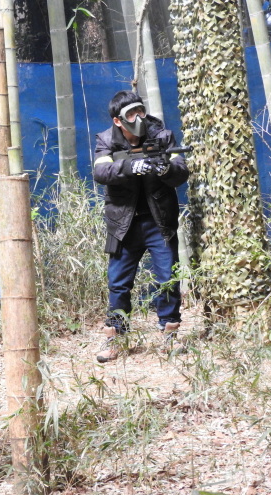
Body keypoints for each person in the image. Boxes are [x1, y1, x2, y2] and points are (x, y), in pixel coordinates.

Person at [93, 90, 190, 362]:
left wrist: (164, 169)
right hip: (123, 226)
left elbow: (180, 170)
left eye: (140, 111)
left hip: (159, 222)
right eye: (131, 114)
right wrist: (132, 167)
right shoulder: (106, 140)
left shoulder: (162, 136)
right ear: (118, 120)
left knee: (167, 278)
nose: (138, 118)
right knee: (118, 283)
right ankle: (116, 337)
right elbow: (101, 171)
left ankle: (169, 335)